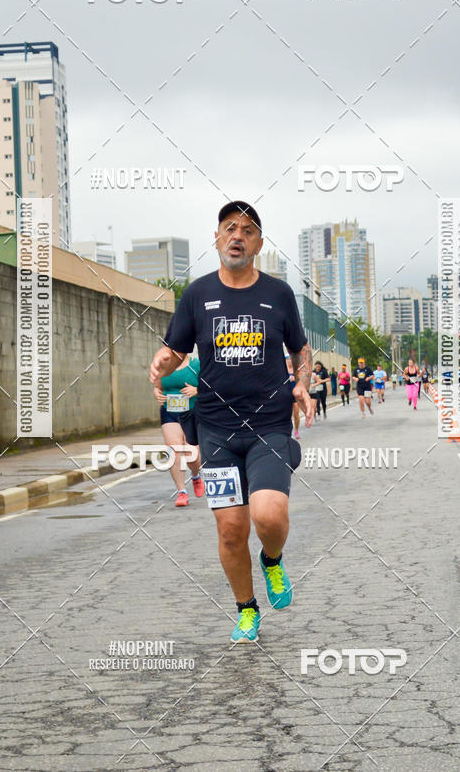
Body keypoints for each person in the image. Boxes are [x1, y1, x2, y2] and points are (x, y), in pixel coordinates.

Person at [149, 201, 315, 644]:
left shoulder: (278, 295)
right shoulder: (197, 294)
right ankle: (246, 609)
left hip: (270, 426)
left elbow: (300, 350)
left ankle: (273, 559)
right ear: (217, 239)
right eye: (229, 229)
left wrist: (301, 383)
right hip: (217, 430)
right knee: (230, 529)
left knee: (268, 514)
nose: (237, 236)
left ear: (259, 243)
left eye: (246, 230)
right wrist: (163, 361)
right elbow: (176, 350)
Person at [153, 353, 203, 506]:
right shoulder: (163, 365)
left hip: (192, 412)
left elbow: (211, 386)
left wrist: (196, 390)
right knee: (173, 451)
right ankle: (182, 492)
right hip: (170, 412)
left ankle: (195, 475)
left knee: (191, 454)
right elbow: (158, 386)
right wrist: (157, 393)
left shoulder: (196, 364)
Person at [286, 356, 301, 438]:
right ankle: (287, 431)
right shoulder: (283, 370)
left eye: (290, 359)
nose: (289, 361)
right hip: (286, 394)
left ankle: (296, 430)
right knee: (287, 414)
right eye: (287, 359)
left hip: (295, 394)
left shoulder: (296, 370)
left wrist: (295, 378)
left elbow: (301, 380)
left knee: (296, 413)